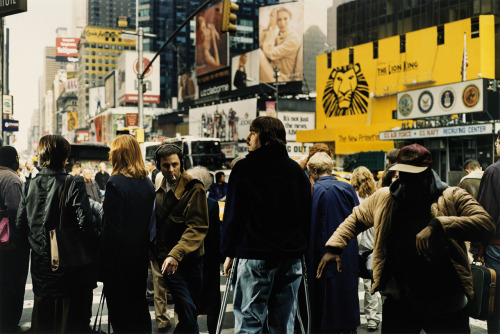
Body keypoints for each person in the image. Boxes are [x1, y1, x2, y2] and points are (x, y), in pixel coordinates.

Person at [317, 143, 495, 333]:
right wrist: (335, 247)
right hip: (400, 298)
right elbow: (356, 218)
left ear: (427, 173)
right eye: (403, 173)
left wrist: (440, 225)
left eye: (413, 175)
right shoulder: (384, 197)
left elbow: (485, 224)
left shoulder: (451, 195)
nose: (406, 180)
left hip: (444, 298)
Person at [221, 116, 311, 333]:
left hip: (256, 253)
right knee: (283, 322)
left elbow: (235, 214)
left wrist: (229, 252)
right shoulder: (297, 172)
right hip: (291, 257)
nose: (247, 137)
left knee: (250, 321)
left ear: (266, 137)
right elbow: (306, 215)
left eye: (253, 132)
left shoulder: (245, 168)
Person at [16, 135, 96, 333]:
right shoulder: (73, 183)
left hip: (39, 267)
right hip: (66, 265)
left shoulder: (29, 185)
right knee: (67, 321)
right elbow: (84, 223)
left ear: (42, 156)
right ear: (64, 157)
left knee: (43, 319)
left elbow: (20, 225)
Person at [101, 135, 155, 333]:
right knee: (138, 306)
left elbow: (111, 231)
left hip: (119, 261)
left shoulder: (115, 183)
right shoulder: (147, 184)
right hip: (140, 256)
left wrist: (104, 264)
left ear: (118, 154)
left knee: (120, 312)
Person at [153, 143, 209, 333]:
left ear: (181, 164)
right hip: (168, 259)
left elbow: (197, 227)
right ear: (158, 166)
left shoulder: (195, 188)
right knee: (186, 306)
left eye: (175, 164)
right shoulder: (159, 188)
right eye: (165, 165)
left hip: (190, 259)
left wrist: (176, 254)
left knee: (189, 310)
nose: (170, 169)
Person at [305, 152, 360, 334]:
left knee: (322, 299)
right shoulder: (347, 188)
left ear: (312, 171)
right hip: (347, 248)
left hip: (319, 251)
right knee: (346, 293)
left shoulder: (313, 191)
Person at [187, 166, 221, 334]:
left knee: (190, 303)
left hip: (188, 259)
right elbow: (215, 237)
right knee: (213, 302)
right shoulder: (211, 205)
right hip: (209, 260)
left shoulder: (183, 202)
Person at [0, 146, 29, 333]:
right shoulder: (11, 179)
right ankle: (9, 322)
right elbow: (17, 211)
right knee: (14, 282)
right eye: (17, 157)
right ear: (12, 159)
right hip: (10, 243)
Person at [350, 166, 381, 331]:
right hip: (372, 246)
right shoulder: (376, 197)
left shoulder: (351, 197)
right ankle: (372, 318)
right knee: (371, 285)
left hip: (355, 248)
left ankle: (353, 317)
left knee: (352, 285)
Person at [476, 132, 500, 333]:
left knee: (496, 300)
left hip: (497, 247)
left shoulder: (493, 172)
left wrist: (477, 248)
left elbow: (485, 214)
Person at [259, 7, 302, 82]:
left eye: (285, 19)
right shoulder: (277, 35)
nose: (282, 23)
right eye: (279, 20)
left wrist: (273, 28)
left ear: (290, 19)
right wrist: (269, 24)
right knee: (256, 51)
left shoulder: (294, 38)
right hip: (272, 73)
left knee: (258, 53)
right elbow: (259, 44)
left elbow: (270, 52)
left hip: (281, 80)